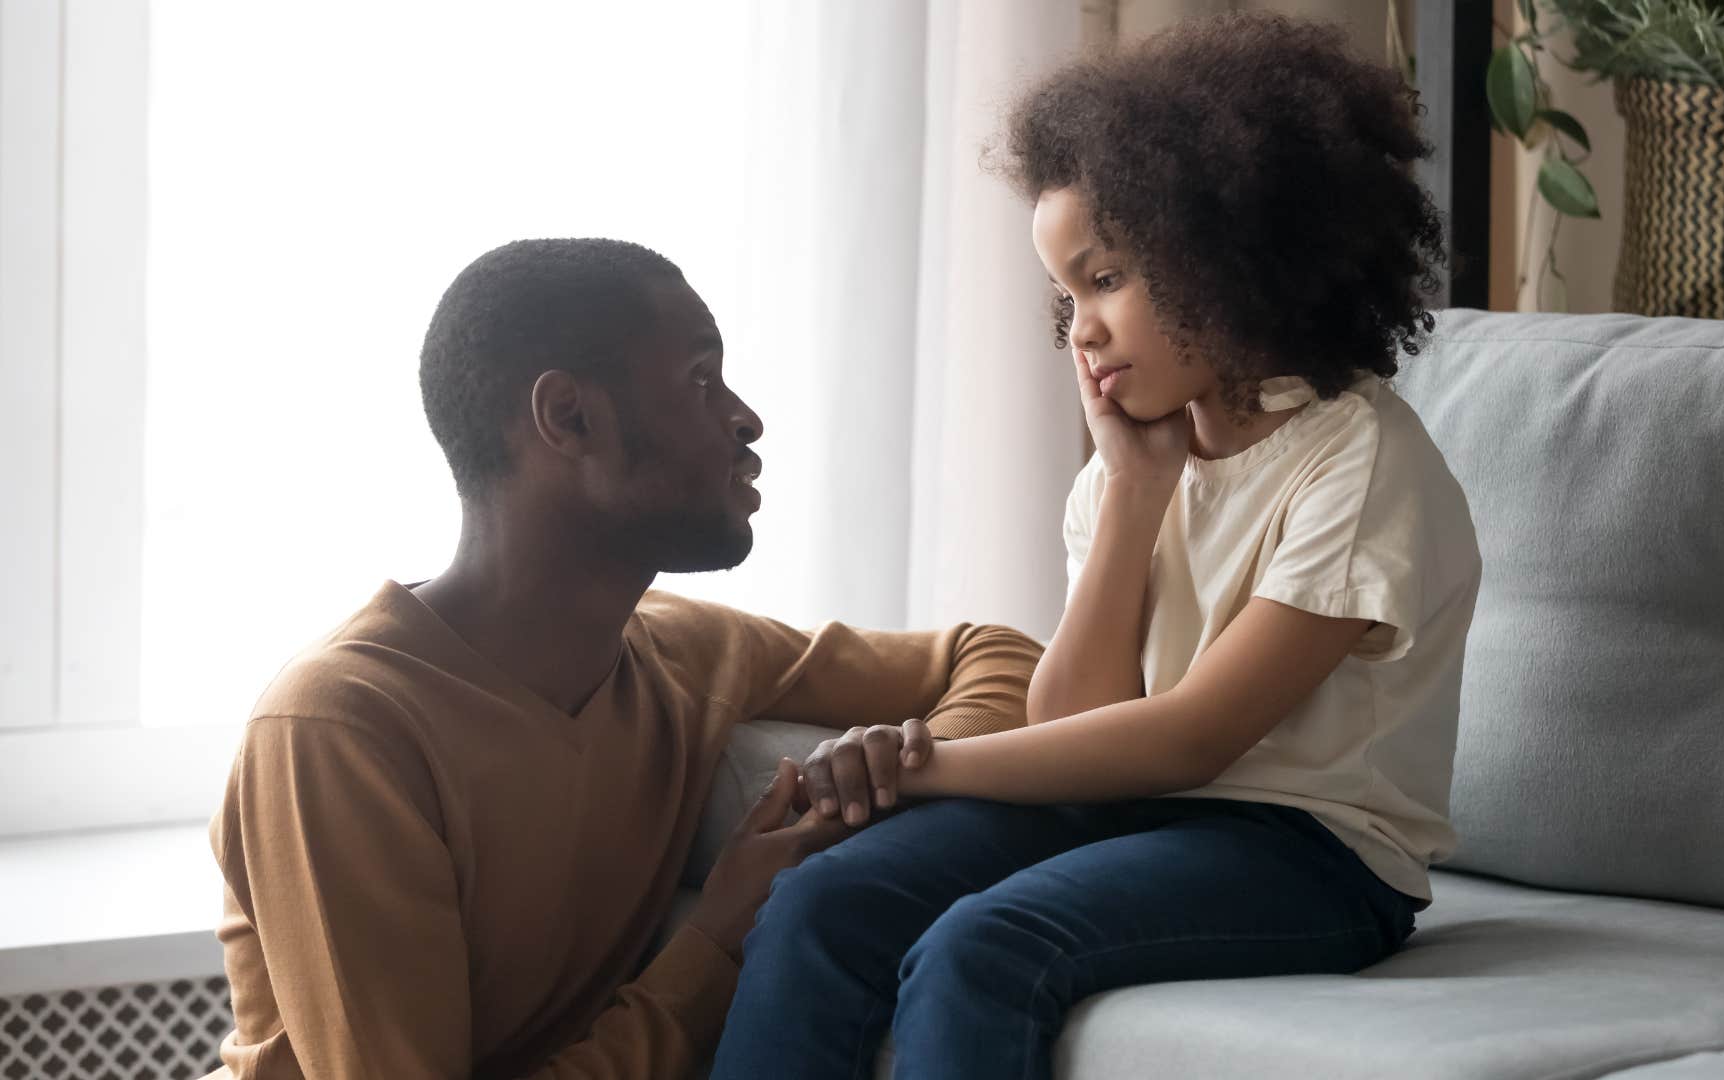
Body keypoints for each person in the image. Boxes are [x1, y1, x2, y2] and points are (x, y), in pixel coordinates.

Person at [710, 13, 1481, 1079]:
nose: (1080, 328)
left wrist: (923, 766)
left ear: (1223, 253)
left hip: (1312, 857)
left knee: (984, 949)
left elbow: (1187, 741)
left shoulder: (1357, 463)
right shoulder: (1130, 470)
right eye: (1065, 295)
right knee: (823, 899)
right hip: (1134, 818)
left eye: (1107, 277)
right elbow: (1076, 725)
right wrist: (1132, 490)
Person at [203, 238, 1042, 1079]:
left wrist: (912, 771)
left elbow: (997, 654)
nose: (746, 418)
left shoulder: (682, 652)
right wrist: (715, 943)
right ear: (568, 417)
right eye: (700, 380)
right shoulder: (341, 729)